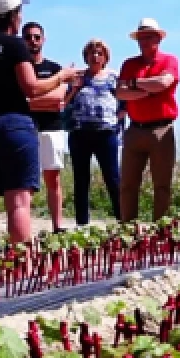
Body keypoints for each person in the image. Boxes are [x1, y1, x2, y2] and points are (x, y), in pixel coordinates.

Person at [0, 0, 80, 244]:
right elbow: (32, 88)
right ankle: (22, 268)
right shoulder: (14, 46)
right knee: (19, 204)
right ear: (13, 15)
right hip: (13, 126)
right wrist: (61, 77)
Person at [116, 18, 180, 221]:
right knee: (127, 184)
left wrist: (135, 84)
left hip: (161, 129)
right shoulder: (129, 64)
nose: (144, 41)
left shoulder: (169, 60)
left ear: (159, 38)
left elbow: (164, 82)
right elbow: (120, 92)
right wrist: (149, 89)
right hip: (135, 129)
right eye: (141, 37)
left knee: (162, 185)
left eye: (149, 37)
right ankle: (128, 227)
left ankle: (160, 230)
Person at [66, 38, 122, 226]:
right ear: (86, 56)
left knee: (113, 178)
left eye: (99, 53)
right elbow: (64, 103)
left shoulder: (114, 77)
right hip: (80, 133)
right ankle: (82, 223)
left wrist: (118, 119)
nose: (95, 56)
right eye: (91, 53)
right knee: (81, 179)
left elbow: (125, 102)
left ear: (106, 57)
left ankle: (122, 220)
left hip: (105, 134)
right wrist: (74, 87)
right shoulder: (78, 77)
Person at [23, 22, 68, 233]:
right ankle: (24, 228)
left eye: (36, 37)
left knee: (53, 178)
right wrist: (44, 99)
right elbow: (17, 100)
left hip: (52, 128)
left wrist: (31, 99)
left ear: (43, 39)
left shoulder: (55, 69)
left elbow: (59, 97)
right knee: (25, 182)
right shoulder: (19, 69)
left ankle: (57, 225)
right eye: (29, 37)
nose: (33, 41)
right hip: (26, 128)